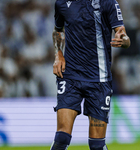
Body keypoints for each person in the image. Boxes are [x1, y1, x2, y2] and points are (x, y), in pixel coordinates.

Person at [51, 0, 130, 149]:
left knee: (96, 145)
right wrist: (58, 53)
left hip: (99, 79)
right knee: (61, 138)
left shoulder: (108, 2)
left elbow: (123, 34)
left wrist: (123, 39)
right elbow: (58, 30)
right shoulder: (61, 3)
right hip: (70, 76)